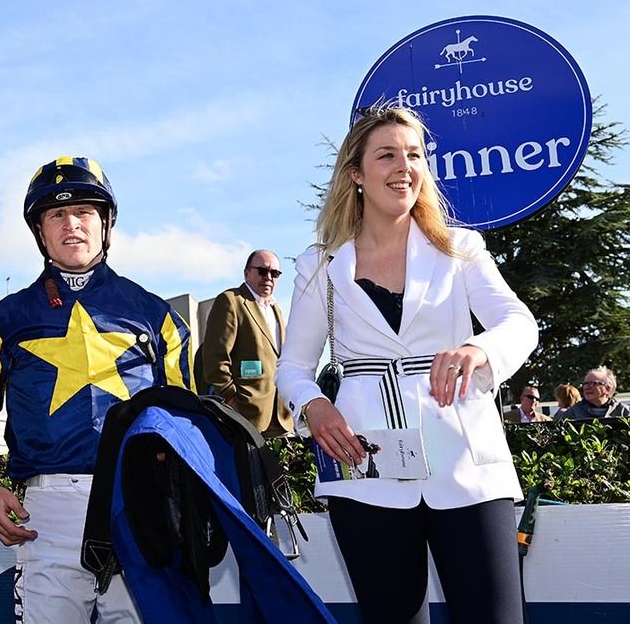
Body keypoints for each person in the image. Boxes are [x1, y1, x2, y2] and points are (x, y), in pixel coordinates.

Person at [276, 105, 538, 624]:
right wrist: (315, 407)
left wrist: (479, 349)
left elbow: (519, 323)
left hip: (465, 461)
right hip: (365, 462)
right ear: (356, 173)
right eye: (387, 155)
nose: (405, 166)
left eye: (415, 154)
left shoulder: (461, 248)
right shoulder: (320, 264)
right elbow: (293, 368)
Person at [0, 156, 193, 623]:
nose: (71, 225)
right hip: (49, 510)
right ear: (40, 232)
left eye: (84, 211)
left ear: (106, 224)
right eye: (56, 215)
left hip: (138, 503)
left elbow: (184, 423)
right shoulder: (4, 319)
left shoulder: (157, 315)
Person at [203, 250, 294, 438]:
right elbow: (215, 358)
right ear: (247, 273)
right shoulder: (231, 301)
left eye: (275, 273)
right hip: (245, 415)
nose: (268, 277)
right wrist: (232, 398)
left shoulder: (276, 309)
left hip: (281, 418)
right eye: (262, 271)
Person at [555, 367, 630, 420]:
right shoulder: (572, 413)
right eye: (585, 384)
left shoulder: (624, 411)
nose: (587, 387)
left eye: (593, 383)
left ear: (607, 389)